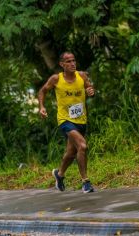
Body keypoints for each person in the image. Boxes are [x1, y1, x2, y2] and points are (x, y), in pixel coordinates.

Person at [38, 52, 95, 193]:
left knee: (70, 153)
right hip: (65, 120)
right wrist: (42, 106)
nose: (72, 63)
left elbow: (89, 88)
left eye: (74, 60)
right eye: (68, 61)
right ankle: (85, 182)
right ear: (62, 64)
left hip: (81, 120)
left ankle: (60, 174)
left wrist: (90, 91)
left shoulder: (82, 76)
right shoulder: (56, 79)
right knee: (82, 146)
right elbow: (42, 91)